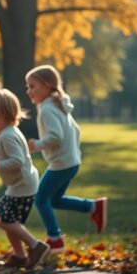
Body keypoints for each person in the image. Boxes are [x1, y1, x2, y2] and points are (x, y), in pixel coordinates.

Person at [25, 65, 108, 252]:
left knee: (40, 199)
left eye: (32, 86)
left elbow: (56, 136)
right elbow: (76, 131)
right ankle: (93, 207)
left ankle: (55, 239)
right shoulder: (59, 105)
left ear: (47, 86)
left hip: (62, 163)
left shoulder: (47, 108)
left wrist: (36, 145)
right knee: (54, 200)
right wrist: (72, 151)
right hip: (71, 161)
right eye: (28, 86)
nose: (28, 91)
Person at [0, 82, 49, 269]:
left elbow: (18, 161)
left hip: (23, 186)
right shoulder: (4, 133)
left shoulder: (8, 135)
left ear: (2, 114)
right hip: (19, 185)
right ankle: (19, 255)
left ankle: (35, 246)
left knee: (6, 220)